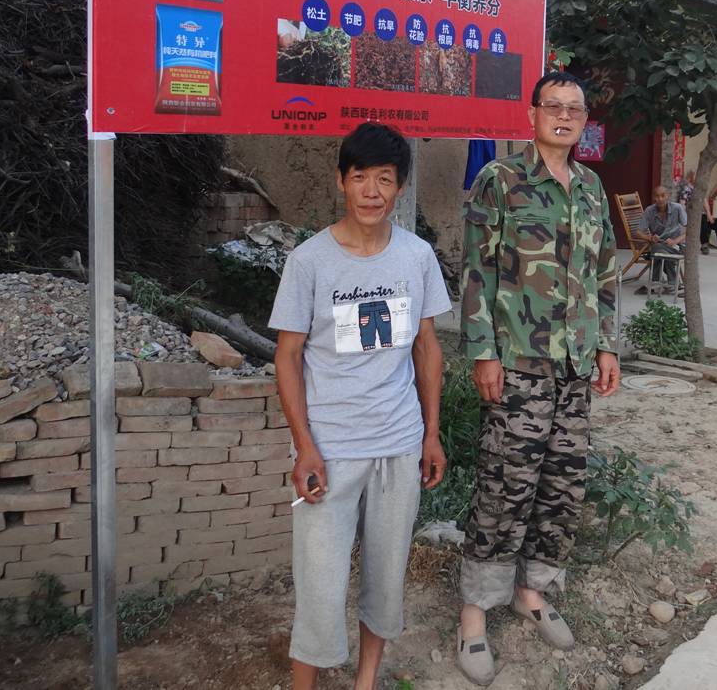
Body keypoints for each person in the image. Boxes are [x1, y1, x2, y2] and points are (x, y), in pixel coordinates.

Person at [270, 123, 452, 690]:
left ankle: (366, 682)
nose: (372, 191)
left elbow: (427, 347)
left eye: (385, 180)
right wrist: (304, 446)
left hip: (398, 444)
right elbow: (287, 357)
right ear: (341, 182)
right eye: (360, 178)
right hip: (331, 448)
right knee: (319, 585)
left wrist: (430, 433)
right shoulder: (309, 261)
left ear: (400, 187)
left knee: (386, 579)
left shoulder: (417, 256)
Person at [456, 70, 621, 686]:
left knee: (561, 487)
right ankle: (476, 610)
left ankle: (533, 591)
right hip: (519, 365)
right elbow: (478, 271)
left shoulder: (591, 188)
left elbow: (605, 274)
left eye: (575, 108)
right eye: (553, 105)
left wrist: (607, 346)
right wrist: (483, 352)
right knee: (505, 485)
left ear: (584, 120)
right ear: (532, 114)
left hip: (574, 368)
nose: (564, 115)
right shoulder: (500, 179)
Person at [638, 184, 687, 294]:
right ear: (653, 198)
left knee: (657, 250)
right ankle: (673, 283)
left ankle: (656, 281)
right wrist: (650, 237)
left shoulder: (677, 208)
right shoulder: (649, 211)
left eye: (663, 196)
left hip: (677, 246)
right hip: (659, 245)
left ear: (668, 196)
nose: (660, 199)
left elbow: (689, 230)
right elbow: (639, 232)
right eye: (657, 196)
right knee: (658, 248)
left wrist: (675, 241)